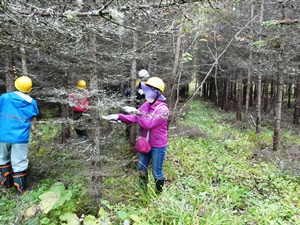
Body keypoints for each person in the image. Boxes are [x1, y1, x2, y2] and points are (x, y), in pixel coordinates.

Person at [107, 77, 169, 193]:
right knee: (141, 168)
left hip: (158, 145)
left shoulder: (163, 110)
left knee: (156, 172)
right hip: (146, 142)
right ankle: (142, 191)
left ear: (157, 93)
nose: (146, 95)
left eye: (149, 92)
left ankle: (159, 195)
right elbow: (135, 117)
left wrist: (137, 113)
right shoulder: (146, 105)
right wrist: (119, 117)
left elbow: (149, 124)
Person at [0, 76, 39, 194]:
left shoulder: (4, 98)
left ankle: (6, 183)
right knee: (19, 162)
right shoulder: (32, 103)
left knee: (2, 158)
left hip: (3, 135)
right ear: (29, 89)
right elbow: (34, 114)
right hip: (20, 137)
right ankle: (20, 190)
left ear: (16, 85)